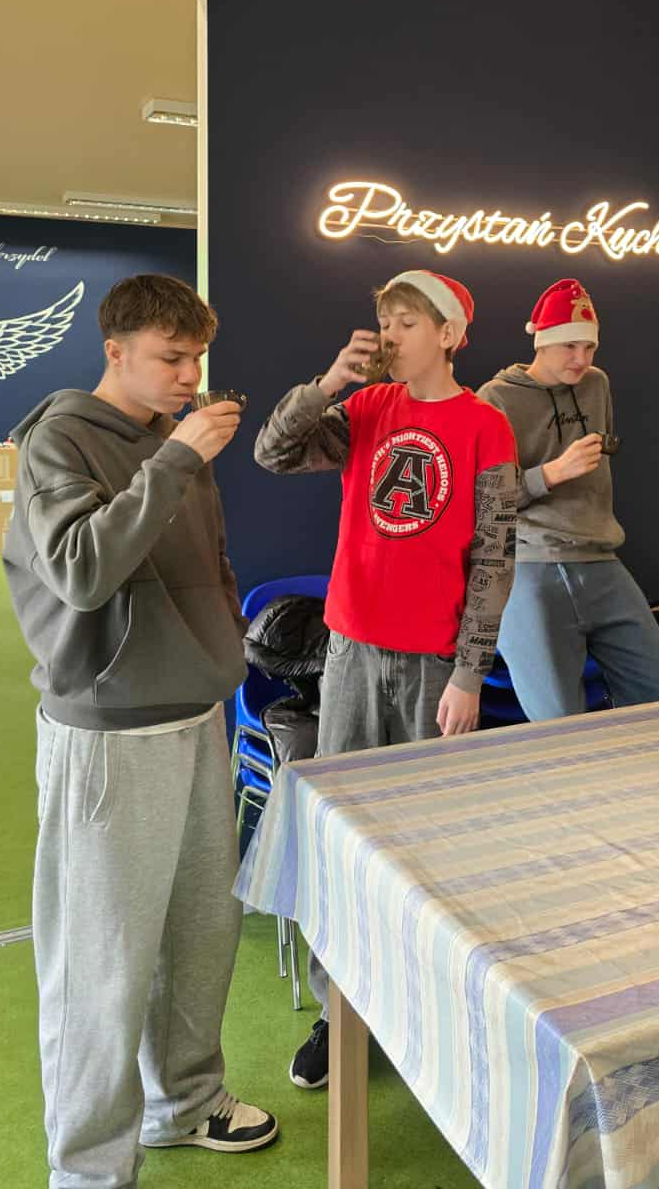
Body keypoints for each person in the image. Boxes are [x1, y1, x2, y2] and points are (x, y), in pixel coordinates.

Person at [2, 274, 278, 1189]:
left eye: (196, 356)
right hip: (108, 734)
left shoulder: (173, 438)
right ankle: (87, 1168)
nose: (189, 375)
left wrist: (224, 641)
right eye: (170, 357)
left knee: (200, 932)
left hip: (196, 712)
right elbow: (82, 571)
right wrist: (177, 461)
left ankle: (185, 1104)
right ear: (114, 350)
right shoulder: (59, 440)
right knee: (101, 960)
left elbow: (210, 562)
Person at [247, 268, 517, 1090]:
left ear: (450, 334)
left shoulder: (486, 426)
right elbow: (271, 452)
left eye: (408, 322)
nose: (391, 335)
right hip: (352, 653)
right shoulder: (365, 408)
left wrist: (469, 673)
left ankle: (423, 1006)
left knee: (431, 845)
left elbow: (494, 558)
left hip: (434, 666)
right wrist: (327, 383)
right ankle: (341, 1014)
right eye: (386, 321)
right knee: (346, 842)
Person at [477, 277, 659, 719]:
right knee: (558, 728)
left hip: (601, 561)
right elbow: (482, 502)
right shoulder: (495, 399)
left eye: (589, 347)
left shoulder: (596, 384)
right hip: (529, 570)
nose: (582, 359)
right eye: (569, 346)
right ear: (541, 341)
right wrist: (553, 473)